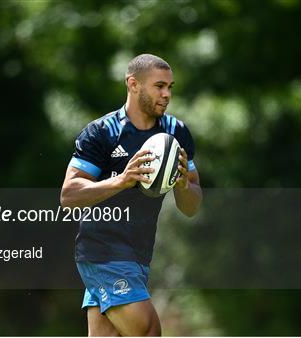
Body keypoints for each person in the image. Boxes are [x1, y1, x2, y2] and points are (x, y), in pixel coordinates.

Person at [60, 54, 202, 336]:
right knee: (148, 330)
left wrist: (184, 185)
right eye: (159, 86)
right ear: (133, 84)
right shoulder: (102, 133)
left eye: (170, 87)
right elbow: (68, 194)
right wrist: (122, 181)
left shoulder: (176, 133)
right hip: (103, 251)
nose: (166, 94)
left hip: (138, 254)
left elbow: (191, 206)